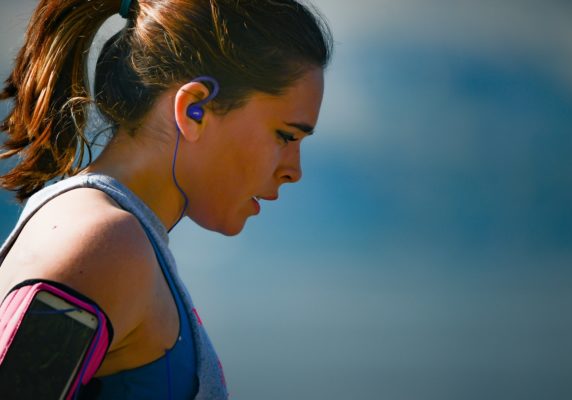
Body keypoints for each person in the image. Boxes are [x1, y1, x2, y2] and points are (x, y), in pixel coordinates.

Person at [0, 0, 332, 398]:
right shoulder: (106, 246)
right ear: (195, 109)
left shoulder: (115, 239)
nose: (294, 170)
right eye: (285, 136)